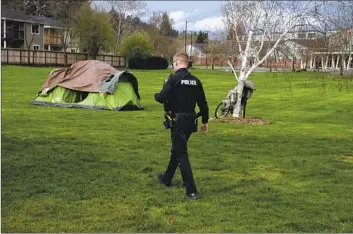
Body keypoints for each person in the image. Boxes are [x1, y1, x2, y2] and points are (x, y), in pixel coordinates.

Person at [154, 52, 209, 200]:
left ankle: (191, 191)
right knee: (177, 150)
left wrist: (155, 95)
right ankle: (166, 179)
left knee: (181, 154)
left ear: (177, 62)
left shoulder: (173, 79)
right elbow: (203, 104)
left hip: (178, 122)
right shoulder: (196, 81)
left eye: (173, 64)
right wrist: (205, 121)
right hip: (191, 122)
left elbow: (161, 98)